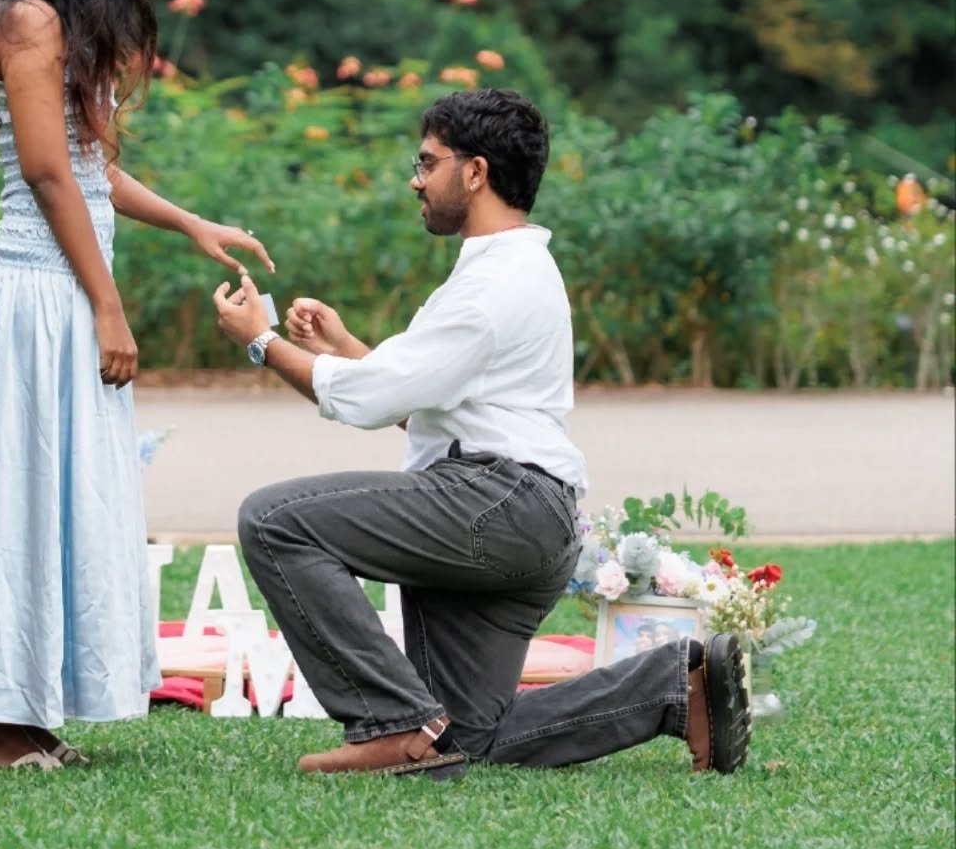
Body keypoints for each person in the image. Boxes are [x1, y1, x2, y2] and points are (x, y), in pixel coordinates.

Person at [213, 87, 749, 781]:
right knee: (469, 735)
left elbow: (374, 402)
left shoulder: (494, 283)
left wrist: (261, 343)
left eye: (427, 161)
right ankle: (676, 685)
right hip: (523, 512)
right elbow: (433, 407)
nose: (415, 178)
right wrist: (346, 347)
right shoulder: (513, 271)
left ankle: (393, 724)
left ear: (475, 172)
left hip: (498, 503)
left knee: (276, 520)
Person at [0, 0, 273, 770]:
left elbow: (86, 169)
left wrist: (189, 222)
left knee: (56, 495)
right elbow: (44, 176)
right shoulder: (29, 21)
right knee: (27, 494)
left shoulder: (42, 21)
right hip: (41, 292)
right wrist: (106, 306)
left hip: (60, 287)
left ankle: (16, 718)